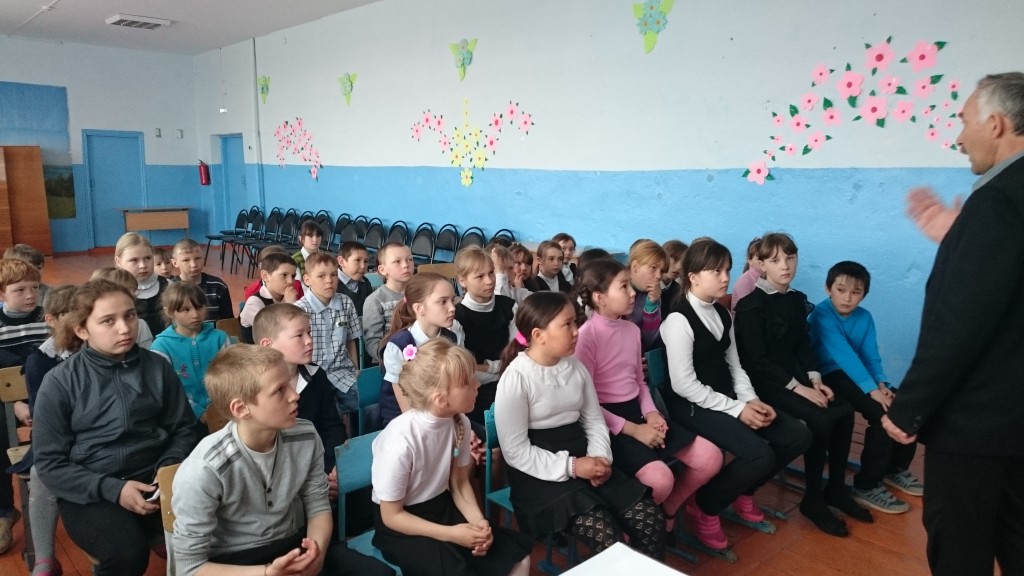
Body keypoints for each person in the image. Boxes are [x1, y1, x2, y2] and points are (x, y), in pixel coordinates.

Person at [884, 72, 1024, 576]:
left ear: (996, 124)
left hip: (978, 429)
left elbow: (959, 323)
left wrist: (908, 409)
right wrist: (960, 242)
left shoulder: (996, 202)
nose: (959, 138)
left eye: (964, 123)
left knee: (960, 548)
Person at [171, 345, 394, 576]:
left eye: (289, 383)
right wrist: (267, 573)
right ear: (241, 408)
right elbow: (190, 567)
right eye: (279, 390)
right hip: (235, 563)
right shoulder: (205, 469)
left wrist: (315, 556)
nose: (295, 395)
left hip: (293, 543)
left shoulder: (306, 435)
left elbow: (318, 506)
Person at [33, 279, 199, 575]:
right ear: (82, 330)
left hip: (157, 482)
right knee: (127, 554)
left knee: (225, 530)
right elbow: (49, 463)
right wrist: (114, 489)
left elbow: (184, 428)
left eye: (130, 315)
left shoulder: (157, 366)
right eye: (108, 321)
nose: (125, 328)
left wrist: (168, 467)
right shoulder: (60, 382)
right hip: (93, 491)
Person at [659, 238, 811, 550]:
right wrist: (738, 409)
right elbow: (684, 385)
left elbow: (735, 366)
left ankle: (740, 491)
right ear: (693, 277)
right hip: (691, 406)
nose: (725, 277)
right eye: (716, 271)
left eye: (727, 269)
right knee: (758, 454)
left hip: (725, 398)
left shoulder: (723, 314)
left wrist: (751, 400)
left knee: (796, 436)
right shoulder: (678, 320)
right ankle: (705, 506)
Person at [495, 291, 666, 560]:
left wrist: (600, 458)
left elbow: (593, 420)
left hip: (584, 457)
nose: (576, 331)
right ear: (539, 335)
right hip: (539, 473)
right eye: (567, 325)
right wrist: (573, 466)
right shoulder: (516, 378)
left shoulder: (575, 368)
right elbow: (515, 451)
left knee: (649, 518)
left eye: (575, 322)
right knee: (606, 534)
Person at [734, 233, 868, 537]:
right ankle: (813, 499)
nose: (785, 265)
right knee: (820, 419)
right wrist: (800, 388)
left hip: (796, 377)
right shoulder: (750, 306)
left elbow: (802, 346)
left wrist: (816, 380)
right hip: (766, 383)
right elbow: (757, 361)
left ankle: (835, 489)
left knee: (844, 410)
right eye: (775, 260)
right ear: (761, 265)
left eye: (790, 258)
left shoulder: (795, 299)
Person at [575, 258, 722, 534]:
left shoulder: (631, 330)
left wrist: (651, 413)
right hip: (607, 424)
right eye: (623, 287)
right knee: (660, 480)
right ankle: (628, 528)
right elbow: (586, 403)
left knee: (710, 457)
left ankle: (668, 507)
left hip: (638, 412)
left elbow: (639, 382)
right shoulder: (586, 336)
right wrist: (634, 430)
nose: (633, 293)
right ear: (600, 298)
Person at [371, 339, 533, 576]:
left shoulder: (459, 422)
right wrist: (453, 534)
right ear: (440, 399)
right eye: (467, 383)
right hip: (403, 524)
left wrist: (478, 522)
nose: (477, 384)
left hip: (441, 507)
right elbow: (391, 516)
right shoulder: (400, 442)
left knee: (517, 558)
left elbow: (459, 483)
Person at [808, 261, 921, 515]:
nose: (847, 298)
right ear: (828, 288)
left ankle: (895, 468)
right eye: (841, 290)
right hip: (828, 374)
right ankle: (867, 485)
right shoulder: (822, 314)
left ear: (864, 295)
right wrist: (872, 390)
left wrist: (882, 383)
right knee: (881, 414)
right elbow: (843, 355)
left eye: (856, 292)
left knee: (902, 403)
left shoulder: (865, 317)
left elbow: (870, 356)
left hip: (857, 374)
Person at [12, 285, 75, 574]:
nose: (79, 319)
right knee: (41, 472)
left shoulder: (97, 348)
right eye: (70, 313)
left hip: (96, 434)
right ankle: (44, 558)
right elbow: (42, 414)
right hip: (56, 438)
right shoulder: (40, 359)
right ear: (51, 320)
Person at [254, 303, 346, 500]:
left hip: (319, 467)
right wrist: (311, 482)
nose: (309, 340)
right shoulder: (256, 389)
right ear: (267, 345)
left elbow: (331, 427)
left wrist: (331, 469)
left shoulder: (317, 375)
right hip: (280, 484)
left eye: (309, 333)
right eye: (299, 335)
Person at [379, 272, 461, 427]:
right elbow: (407, 411)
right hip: (406, 423)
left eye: (452, 300)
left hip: (442, 415)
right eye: (443, 302)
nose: (452, 308)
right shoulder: (398, 346)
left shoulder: (452, 337)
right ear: (419, 308)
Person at [295, 252, 361, 432]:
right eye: (321, 276)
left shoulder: (345, 303)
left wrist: (356, 368)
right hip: (313, 377)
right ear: (307, 279)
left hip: (343, 372)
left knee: (368, 401)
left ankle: (360, 437)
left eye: (333, 275)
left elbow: (350, 340)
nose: (329, 281)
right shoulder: (299, 310)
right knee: (330, 417)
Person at [151, 282, 230, 421]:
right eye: (186, 310)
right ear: (169, 312)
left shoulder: (220, 337)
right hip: (183, 416)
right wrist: (198, 412)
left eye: (199, 307)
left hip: (224, 410)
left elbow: (232, 375)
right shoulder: (161, 346)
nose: (195, 314)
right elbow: (167, 390)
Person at [454, 247, 516, 425]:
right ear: (462, 281)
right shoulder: (457, 317)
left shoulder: (509, 307)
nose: (489, 281)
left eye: (491, 273)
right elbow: (466, 370)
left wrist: (487, 367)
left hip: (511, 382)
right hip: (475, 391)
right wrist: (498, 369)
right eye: (480, 277)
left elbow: (517, 352)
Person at [363, 242, 414, 363]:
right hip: (390, 362)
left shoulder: (421, 294)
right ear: (382, 270)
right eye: (397, 261)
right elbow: (372, 343)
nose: (406, 265)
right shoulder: (375, 300)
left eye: (410, 259)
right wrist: (394, 358)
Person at [114, 232, 168, 336]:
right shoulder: (113, 291)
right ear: (118, 261)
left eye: (148, 258)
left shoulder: (168, 286)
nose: (143, 265)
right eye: (134, 260)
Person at [240, 252, 298, 344]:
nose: (290, 281)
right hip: (256, 352)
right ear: (265, 276)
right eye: (284, 275)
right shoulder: (254, 302)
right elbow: (274, 333)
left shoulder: (288, 298)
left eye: (293, 276)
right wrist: (289, 306)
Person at [89, 267, 155, 349]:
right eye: (108, 321)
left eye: (133, 294)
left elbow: (146, 353)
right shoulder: (89, 324)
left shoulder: (140, 325)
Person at [170, 238, 234, 321]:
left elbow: (228, 321)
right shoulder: (170, 288)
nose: (193, 264)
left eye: (198, 258)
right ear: (175, 263)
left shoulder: (218, 286)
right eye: (186, 260)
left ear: (204, 258)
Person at [626, 239, 667, 352]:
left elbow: (650, 341)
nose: (658, 276)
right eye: (653, 268)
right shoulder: (613, 289)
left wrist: (652, 305)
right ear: (635, 267)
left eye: (661, 271)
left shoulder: (652, 295)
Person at [336, 241, 374, 316]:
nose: (363, 266)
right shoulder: (331, 284)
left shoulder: (365, 282)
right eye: (357, 260)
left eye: (366, 261)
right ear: (342, 262)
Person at [730, 237, 762, 311]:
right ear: (749, 260)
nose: (763, 261)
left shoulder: (768, 278)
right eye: (759, 258)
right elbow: (747, 310)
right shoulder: (744, 281)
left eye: (766, 257)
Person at [660, 240, 687, 319]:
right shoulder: (647, 287)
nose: (679, 267)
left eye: (683, 262)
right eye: (674, 259)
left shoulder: (679, 291)